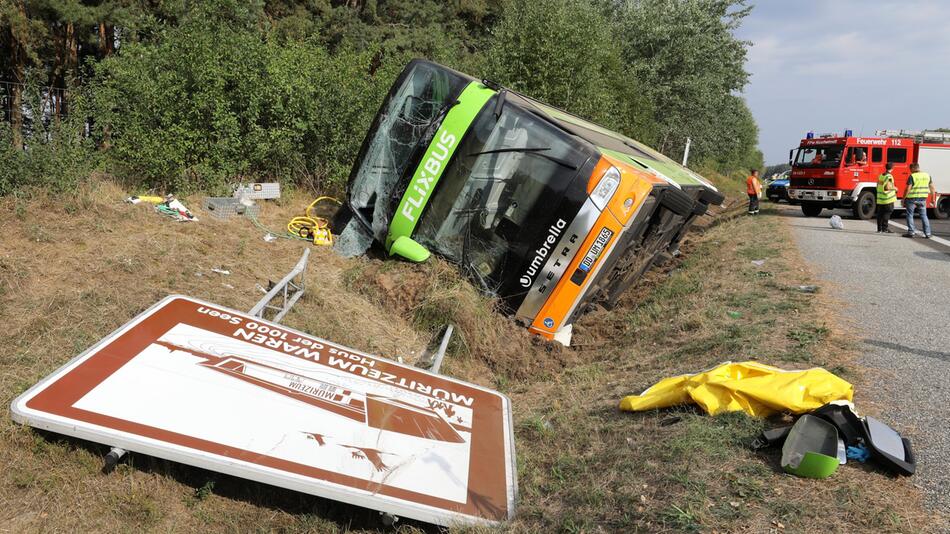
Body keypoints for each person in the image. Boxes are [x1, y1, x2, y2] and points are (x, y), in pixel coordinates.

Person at [902, 162, 936, 238]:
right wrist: (933, 199)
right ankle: (928, 233)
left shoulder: (912, 176)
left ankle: (911, 232)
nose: (910, 171)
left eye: (910, 169)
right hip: (923, 199)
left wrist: (903, 199)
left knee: (910, 215)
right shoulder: (927, 175)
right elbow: (932, 188)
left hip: (911, 199)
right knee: (924, 216)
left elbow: (908, 188)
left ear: (913, 168)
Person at [875, 163, 897, 233]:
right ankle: (885, 228)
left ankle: (879, 229)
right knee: (887, 213)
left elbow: (877, 185)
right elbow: (888, 187)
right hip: (888, 199)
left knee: (880, 214)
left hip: (880, 199)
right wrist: (895, 189)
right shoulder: (889, 177)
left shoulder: (881, 176)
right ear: (892, 168)